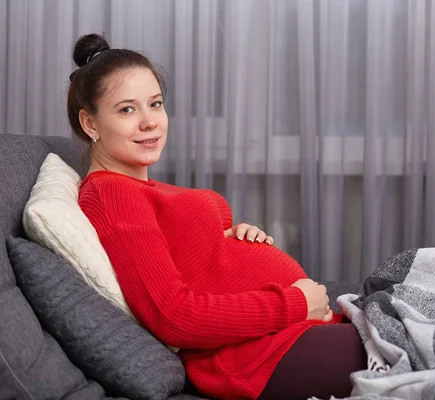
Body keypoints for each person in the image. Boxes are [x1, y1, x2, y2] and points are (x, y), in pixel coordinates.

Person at [68, 33, 366, 400]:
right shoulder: (112, 193)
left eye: (156, 104)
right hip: (257, 356)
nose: (149, 122)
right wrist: (294, 304)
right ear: (90, 123)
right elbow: (173, 316)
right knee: (434, 348)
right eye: (127, 109)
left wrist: (225, 237)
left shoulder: (146, 189)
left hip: (283, 336)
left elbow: (187, 259)